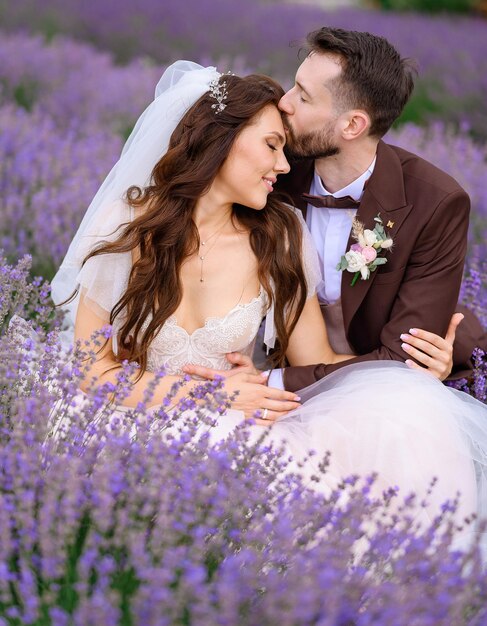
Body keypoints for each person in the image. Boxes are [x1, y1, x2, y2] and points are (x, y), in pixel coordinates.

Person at [51, 61, 487, 539]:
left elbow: (318, 360)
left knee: (402, 423)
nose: (284, 165)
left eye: (285, 143)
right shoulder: (125, 223)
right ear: (222, 141)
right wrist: (211, 395)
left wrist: (406, 378)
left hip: (245, 417)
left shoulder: (278, 236)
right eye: (272, 145)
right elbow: (93, 372)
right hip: (134, 411)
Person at [185, 27, 486, 395]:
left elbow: (404, 360)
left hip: (379, 388)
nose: (284, 103)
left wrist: (266, 381)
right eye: (293, 86)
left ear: (352, 125)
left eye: (305, 98)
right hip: (280, 367)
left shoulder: (435, 204)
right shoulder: (268, 171)